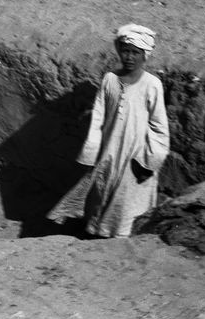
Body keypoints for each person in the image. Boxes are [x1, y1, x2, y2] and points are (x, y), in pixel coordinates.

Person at [47, 23, 170, 238]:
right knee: (101, 194)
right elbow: (98, 117)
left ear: (145, 55)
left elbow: (159, 127)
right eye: (125, 51)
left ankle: (122, 240)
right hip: (109, 151)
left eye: (135, 52)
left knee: (128, 202)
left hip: (136, 157)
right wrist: (92, 151)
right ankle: (99, 235)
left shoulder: (152, 85)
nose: (129, 57)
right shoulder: (110, 80)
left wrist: (150, 161)